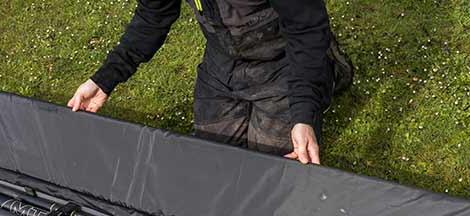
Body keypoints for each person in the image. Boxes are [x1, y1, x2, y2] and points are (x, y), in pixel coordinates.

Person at [69, 0, 352, 165]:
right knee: (209, 163)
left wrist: (302, 114)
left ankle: (324, 76)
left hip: (283, 65)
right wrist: (105, 79)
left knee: (274, 172)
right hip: (222, 65)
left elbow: (307, 32)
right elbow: (152, 18)